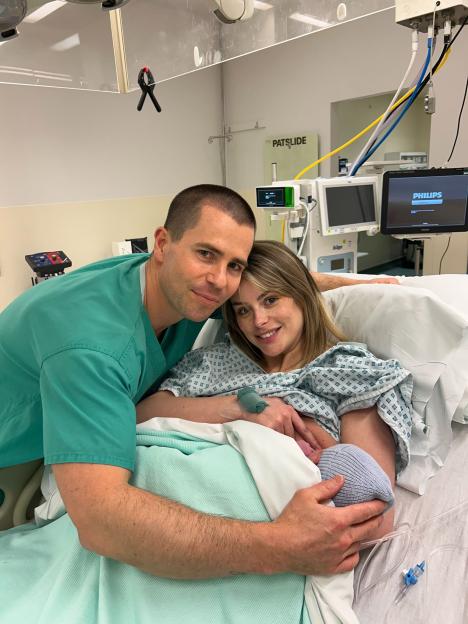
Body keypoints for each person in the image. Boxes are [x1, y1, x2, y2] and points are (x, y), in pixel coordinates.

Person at [0, 183, 398, 579]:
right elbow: (102, 521)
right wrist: (282, 544)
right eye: (206, 253)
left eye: (233, 265)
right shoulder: (90, 345)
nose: (220, 281)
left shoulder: (184, 290)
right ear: (161, 244)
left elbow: (274, 285)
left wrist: (350, 285)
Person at [137, 240, 412, 537]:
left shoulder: (350, 372)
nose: (259, 321)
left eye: (270, 300)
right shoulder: (214, 361)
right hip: (160, 505)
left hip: (242, 527)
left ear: (301, 295)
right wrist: (242, 410)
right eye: (243, 310)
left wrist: (303, 437)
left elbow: (373, 510)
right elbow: (142, 414)